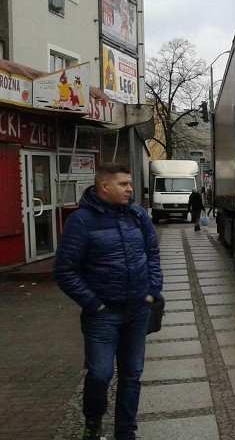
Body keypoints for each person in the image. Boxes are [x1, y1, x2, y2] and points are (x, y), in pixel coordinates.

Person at [53, 162, 162, 440]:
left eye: (129, 183)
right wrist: (94, 304)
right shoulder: (81, 221)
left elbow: (153, 255)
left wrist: (151, 291)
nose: (130, 189)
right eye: (123, 184)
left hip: (138, 309)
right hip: (103, 314)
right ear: (104, 187)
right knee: (100, 374)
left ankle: (126, 432)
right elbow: (65, 270)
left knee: (131, 375)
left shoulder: (137, 215)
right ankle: (93, 422)